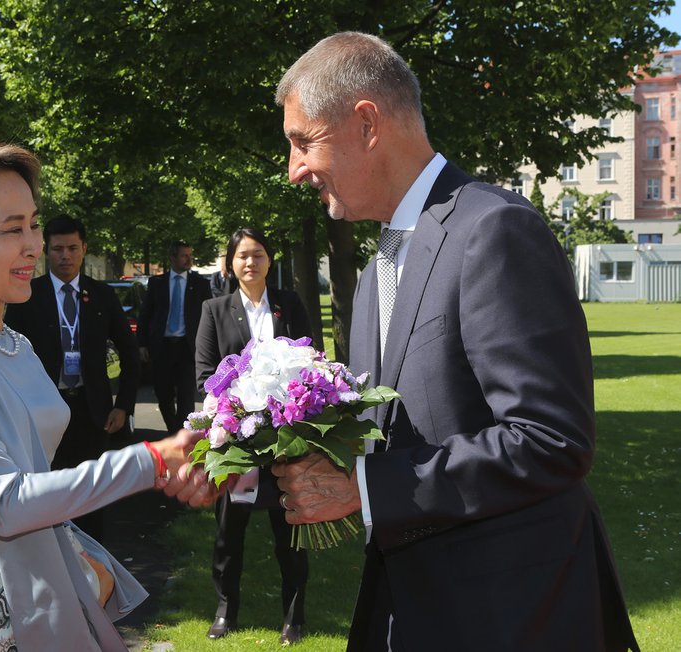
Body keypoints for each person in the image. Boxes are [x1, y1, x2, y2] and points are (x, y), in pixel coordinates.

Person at [272, 32, 639, 652]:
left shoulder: (494, 230)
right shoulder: (372, 277)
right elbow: (396, 433)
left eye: (303, 141)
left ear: (366, 123)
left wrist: (362, 489)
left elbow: (551, 440)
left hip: (512, 617)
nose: (295, 168)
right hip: (409, 609)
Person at [0, 140, 219, 652]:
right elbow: (5, 502)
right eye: (12, 229)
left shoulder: (17, 343)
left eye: (33, 224)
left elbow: (40, 485)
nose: (34, 245)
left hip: (37, 597)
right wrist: (149, 462)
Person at [195, 227, 311, 645]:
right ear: (230, 264)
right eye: (242, 255)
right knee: (230, 534)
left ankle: (293, 619)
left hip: (284, 437)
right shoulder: (214, 309)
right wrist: (236, 407)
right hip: (237, 439)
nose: (250, 262)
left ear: (269, 260)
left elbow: (310, 360)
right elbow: (206, 375)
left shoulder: (289, 304)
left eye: (258, 254)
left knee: (290, 532)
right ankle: (225, 613)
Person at [5, 215, 140, 542]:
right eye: (57, 249)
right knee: (47, 493)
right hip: (42, 413)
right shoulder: (26, 295)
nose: (65, 256)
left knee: (91, 496)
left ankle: (96, 570)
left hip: (92, 413)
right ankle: (55, 566)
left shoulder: (102, 295)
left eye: (72, 248)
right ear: (44, 251)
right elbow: (7, 355)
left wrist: (124, 406)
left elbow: (130, 352)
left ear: (84, 249)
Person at [136, 240, 212, 433]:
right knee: (163, 395)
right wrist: (142, 343)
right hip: (162, 347)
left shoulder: (200, 284)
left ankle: (182, 435)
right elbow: (145, 314)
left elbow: (208, 317)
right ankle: (173, 430)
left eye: (190, 255)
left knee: (187, 397)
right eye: (184, 255)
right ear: (172, 257)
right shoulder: (157, 283)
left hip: (187, 348)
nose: (189, 260)